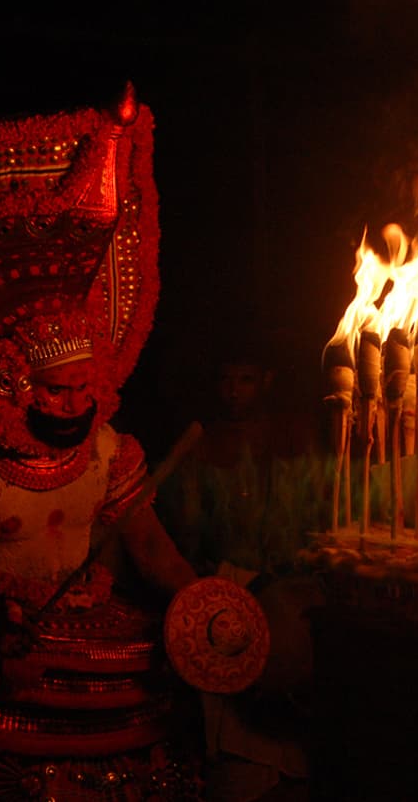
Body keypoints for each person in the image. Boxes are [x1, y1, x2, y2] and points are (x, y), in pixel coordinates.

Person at [0, 84, 268, 802]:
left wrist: (208, 604)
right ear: (13, 385)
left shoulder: (106, 453)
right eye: (56, 391)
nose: (73, 405)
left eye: (82, 389)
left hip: (96, 659)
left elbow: (152, 550)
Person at [155, 343, 326, 802]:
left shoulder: (294, 436)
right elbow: (187, 525)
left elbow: (315, 508)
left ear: (266, 380)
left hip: (293, 592)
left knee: (291, 729)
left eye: (245, 379)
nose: (234, 391)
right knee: (236, 731)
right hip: (229, 592)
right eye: (227, 380)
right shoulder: (203, 443)